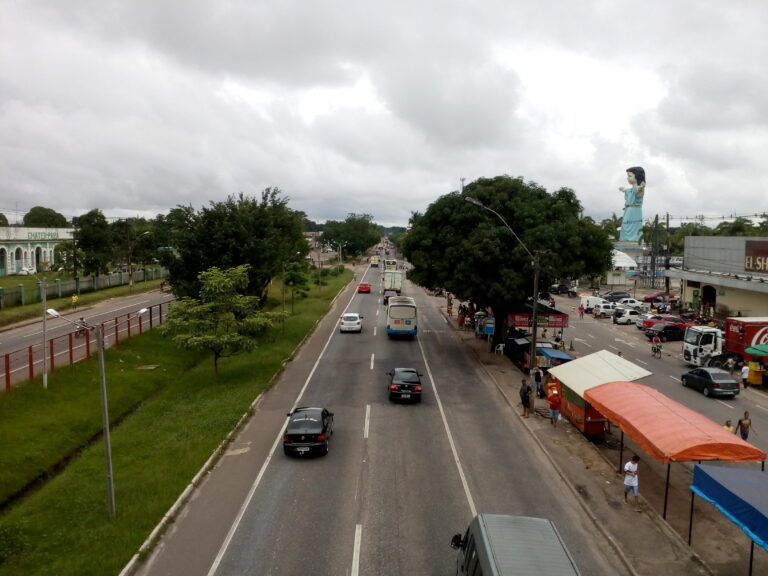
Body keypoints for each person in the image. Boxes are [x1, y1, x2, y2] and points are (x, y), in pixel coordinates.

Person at [618, 166, 646, 242]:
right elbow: (629, 191)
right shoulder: (631, 189)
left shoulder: (638, 188)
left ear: (637, 177)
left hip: (634, 210)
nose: (628, 178)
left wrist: (641, 187)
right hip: (628, 209)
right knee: (625, 225)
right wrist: (624, 190)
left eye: (630, 176)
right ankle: (625, 240)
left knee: (630, 225)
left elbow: (638, 193)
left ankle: (633, 239)